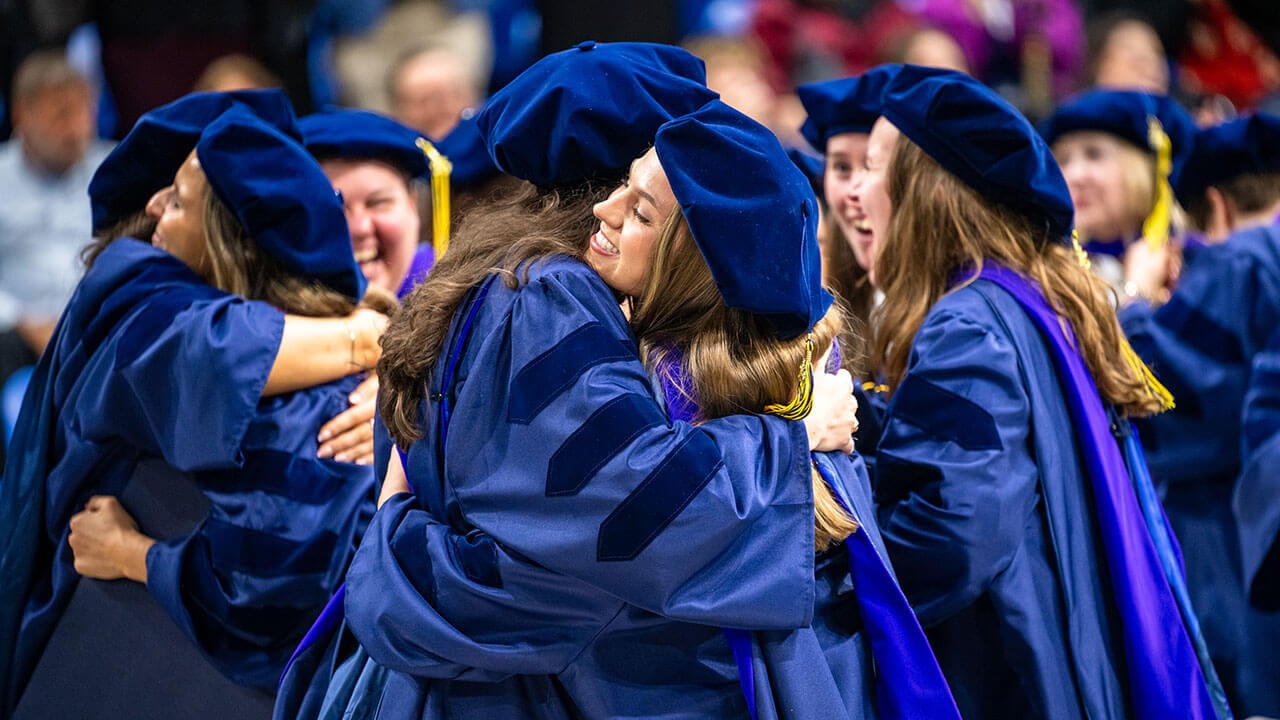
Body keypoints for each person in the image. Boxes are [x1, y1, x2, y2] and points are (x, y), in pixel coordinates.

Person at [328, 43, 863, 720]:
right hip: (516, 687)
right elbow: (624, 507)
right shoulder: (555, 297)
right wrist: (791, 440)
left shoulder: (494, 268)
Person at [860, 65, 1221, 719]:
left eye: (872, 166)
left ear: (927, 191)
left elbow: (956, 528)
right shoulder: (1031, 300)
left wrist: (835, 569)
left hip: (1017, 678)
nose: (855, 194)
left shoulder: (966, 324)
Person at [0, 101, 382, 718]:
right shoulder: (139, 297)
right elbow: (211, 351)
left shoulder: (323, 398)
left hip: (149, 662)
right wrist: (371, 341)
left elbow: (267, 594)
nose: (153, 206)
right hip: (137, 645)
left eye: (176, 200)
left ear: (229, 245)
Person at [1123, 112, 1280, 716]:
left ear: (1214, 209)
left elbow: (1159, 391)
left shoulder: (1240, 259)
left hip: (1238, 556)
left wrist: (1133, 301)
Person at [0, 50, 113, 447]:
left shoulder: (115, 168)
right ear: (21, 116)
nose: (76, 128)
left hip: (97, 326)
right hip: (17, 335)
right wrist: (24, 321)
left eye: (83, 111)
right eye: (60, 114)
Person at [796, 64, 903, 466]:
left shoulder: (951, 306)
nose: (857, 190)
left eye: (873, 166)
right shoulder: (816, 300)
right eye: (841, 168)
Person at [1041, 88, 1196, 303]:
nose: (1074, 175)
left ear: (1142, 170)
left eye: (1094, 154)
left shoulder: (1196, 264)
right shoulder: (1049, 273)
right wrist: (1136, 292)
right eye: (1064, 160)